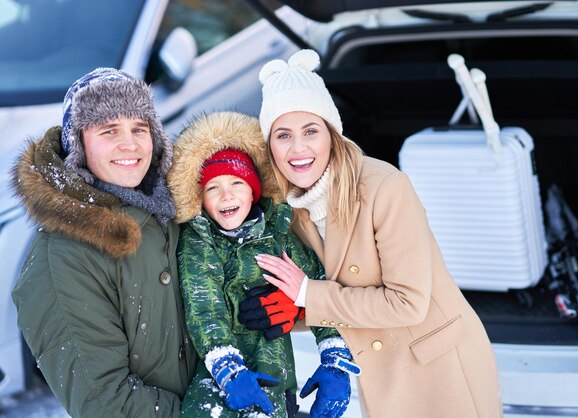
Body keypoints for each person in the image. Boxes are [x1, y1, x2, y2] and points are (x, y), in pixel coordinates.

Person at [238, 49, 503, 417]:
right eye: (283, 135)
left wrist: (305, 295)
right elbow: (330, 294)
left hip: (439, 367)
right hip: (383, 375)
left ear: (331, 134)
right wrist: (292, 311)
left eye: (310, 131)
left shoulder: (384, 188)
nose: (298, 149)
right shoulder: (291, 207)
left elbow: (407, 302)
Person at [11, 68, 198, 417]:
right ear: (79, 146)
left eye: (139, 129)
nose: (129, 144)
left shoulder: (170, 212)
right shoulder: (64, 257)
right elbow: (105, 403)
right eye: (109, 130)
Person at [166, 111, 361, 418]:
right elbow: (204, 307)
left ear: (254, 190)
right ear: (200, 198)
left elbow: (317, 283)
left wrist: (333, 354)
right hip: (220, 381)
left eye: (236, 183)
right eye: (212, 187)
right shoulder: (200, 241)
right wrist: (226, 366)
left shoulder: (278, 232)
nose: (226, 194)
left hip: (277, 370)